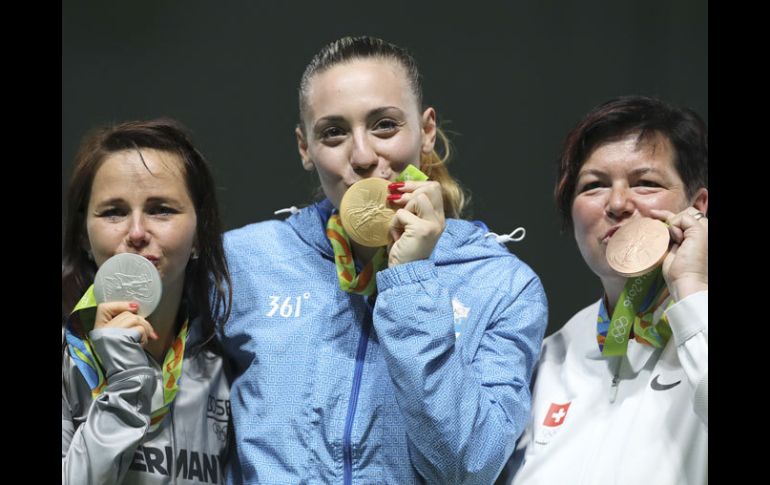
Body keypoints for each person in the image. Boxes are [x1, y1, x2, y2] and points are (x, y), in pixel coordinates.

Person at [220, 36, 548, 484]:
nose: (362, 156)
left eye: (385, 126)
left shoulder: (502, 285)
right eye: (333, 132)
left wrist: (412, 277)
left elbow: (468, 466)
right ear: (304, 147)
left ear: (426, 130)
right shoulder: (245, 261)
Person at [503, 95, 708, 485]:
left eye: (645, 183)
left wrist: (693, 291)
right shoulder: (548, 357)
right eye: (594, 186)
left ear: (698, 206)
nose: (617, 203)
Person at [61, 119, 233, 484]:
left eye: (161, 209)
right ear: (83, 238)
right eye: (113, 212)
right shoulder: (66, 362)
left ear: (200, 234)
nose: (137, 232)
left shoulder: (228, 363)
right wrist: (125, 385)